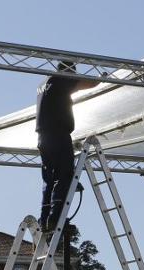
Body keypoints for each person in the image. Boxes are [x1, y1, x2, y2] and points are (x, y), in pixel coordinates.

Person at [36, 61, 100, 232]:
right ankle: (55, 217)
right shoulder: (61, 80)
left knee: (49, 179)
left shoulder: (44, 85)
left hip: (43, 138)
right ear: (69, 71)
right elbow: (88, 83)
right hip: (58, 134)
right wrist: (101, 78)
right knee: (64, 176)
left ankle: (44, 219)